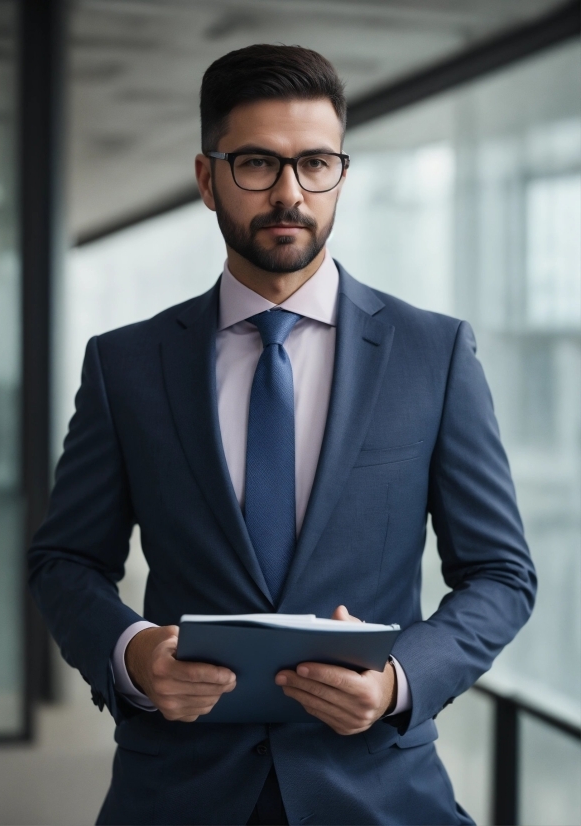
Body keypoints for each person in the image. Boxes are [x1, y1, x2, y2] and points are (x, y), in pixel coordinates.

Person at [28, 44, 536, 826]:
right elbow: (65, 562)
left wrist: (399, 679)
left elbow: (501, 573)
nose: (290, 194)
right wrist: (132, 654)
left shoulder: (432, 354)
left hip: (378, 791)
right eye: (258, 163)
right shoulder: (124, 364)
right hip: (177, 789)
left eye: (317, 164)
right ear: (208, 178)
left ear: (341, 172)